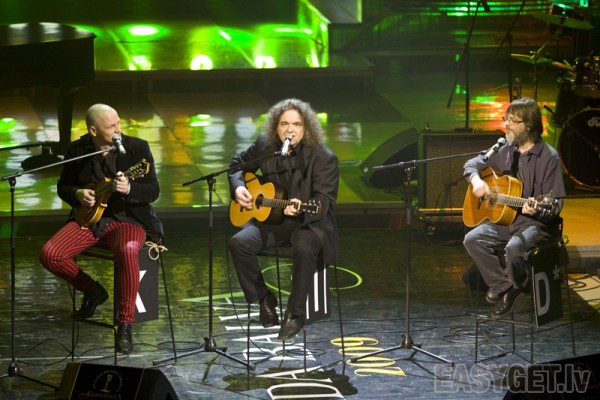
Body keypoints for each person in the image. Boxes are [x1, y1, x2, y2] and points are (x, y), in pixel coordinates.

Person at [39, 103, 161, 354]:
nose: (119, 130)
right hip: (91, 219)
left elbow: (153, 190)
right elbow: (63, 186)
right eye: (112, 126)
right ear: (93, 131)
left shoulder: (137, 148)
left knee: (128, 251)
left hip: (128, 219)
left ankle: (125, 323)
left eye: (119, 123)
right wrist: (77, 193)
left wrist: (130, 189)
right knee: (50, 254)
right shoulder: (77, 150)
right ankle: (93, 290)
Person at [228, 98, 339, 341]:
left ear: (306, 128)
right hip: (274, 220)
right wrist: (238, 188)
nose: (290, 130)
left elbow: (324, 202)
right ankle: (263, 298)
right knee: (239, 242)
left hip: (309, 223)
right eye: (284, 124)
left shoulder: (323, 157)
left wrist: (303, 208)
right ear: (275, 127)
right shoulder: (265, 145)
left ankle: (294, 313)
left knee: (304, 247)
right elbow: (237, 165)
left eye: (296, 124)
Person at [463, 97, 566, 318]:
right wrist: (477, 181)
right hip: (508, 221)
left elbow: (555, 205)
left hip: (537, 224)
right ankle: (504, 286)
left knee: (514, 247)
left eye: (512, 120)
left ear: (528, 126)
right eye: (506, 119)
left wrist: (537, 209)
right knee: (472, 239)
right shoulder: (505, 149)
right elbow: (471, 164)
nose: (506, 124)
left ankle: (518, 289)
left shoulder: (549, 157)